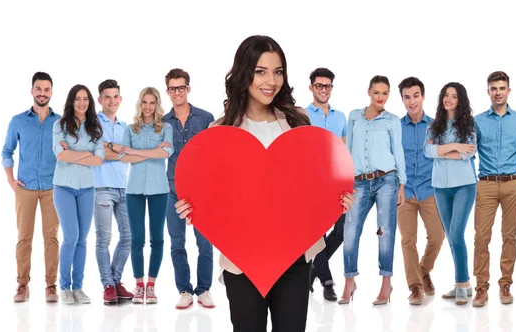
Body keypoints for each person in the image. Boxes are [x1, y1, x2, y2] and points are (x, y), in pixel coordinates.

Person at [174, 35, 355, 332]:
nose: (271, 80)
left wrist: (335, 199)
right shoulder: (219, 132)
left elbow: (313, 185)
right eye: (261, 71)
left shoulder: (298, 123)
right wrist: (193, 206)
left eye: (278, 71)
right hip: (243, 260)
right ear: (244, 73)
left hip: (295, 256)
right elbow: (214, 194)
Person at [472, 71, 516, 307]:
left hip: (513, 184)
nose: (498, 92)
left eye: (502, 88)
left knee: (509, 236)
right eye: (493, 88)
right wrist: (474, 182)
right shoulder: (477, 121)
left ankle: (505, 283)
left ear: (509, 90)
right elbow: (469, 154)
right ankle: (481, 287)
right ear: (487, 91)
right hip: (486, 185)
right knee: (481, 237)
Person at [340, 75, 406, 306]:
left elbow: (398, 151)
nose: (381, 97)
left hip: (386, 180)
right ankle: (350, 281)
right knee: (350, 232)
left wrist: (402, 184)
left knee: (384, 232)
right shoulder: (354, 117)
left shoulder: (392, 120)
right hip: (358, 182)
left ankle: (386, 283)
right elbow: (347, 151)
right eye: (377, 92)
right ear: (369, 92)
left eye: (385, 93)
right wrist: (344, 182)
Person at [2, 71, 61, 302]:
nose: (42, 93)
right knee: (24, 236)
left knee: (51, 237)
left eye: (47, 89)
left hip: (52, 188)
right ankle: (22, 284)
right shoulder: (18, 121)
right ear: (32, 91)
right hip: (25, 187)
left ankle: (51, 285)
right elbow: (7, 151)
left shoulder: (60, 121)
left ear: (51, 92)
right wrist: (10, 180)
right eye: (39, 89)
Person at [161, 68, 216, 309]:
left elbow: (216, 155)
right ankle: (184, 290)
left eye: (181, 87)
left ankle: (204, 289)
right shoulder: (162, 123)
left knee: (205, 243)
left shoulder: (205, 118)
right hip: (172, 191)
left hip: (202, 192)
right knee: (177, 242)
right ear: (168, 91)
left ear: (188, 89)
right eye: (172, 88)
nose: (177, 93)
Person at [423, 82, 477, 305]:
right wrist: (454, 146)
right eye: (446, 95)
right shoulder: (434, 125)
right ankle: (462, 285)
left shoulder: (469, 124)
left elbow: (469, 153)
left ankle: (462, 284)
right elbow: (427, 151)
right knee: (452, 237)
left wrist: (441, 151)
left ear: (460, 100)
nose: (449, 99)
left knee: (456, 234)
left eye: (453, 96)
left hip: (464, 184)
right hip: (440, 187)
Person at [120, 87, 174, 304]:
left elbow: (165, 153)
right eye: (145, 102)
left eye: (152, 102)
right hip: (134, 191)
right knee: (137, 239)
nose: (148, 107)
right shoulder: (131, 129)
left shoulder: (166, 128)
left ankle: (151, 286)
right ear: (140, 104)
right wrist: (151, 152)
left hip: (159, 191)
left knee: (157, 239)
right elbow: (123, 158)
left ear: (157, 104)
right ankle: (139, 285)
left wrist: (135, 152)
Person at [52, 84, 104, 304]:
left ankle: (78, 287)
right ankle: (64, 287)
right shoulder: (60, 125)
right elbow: (60, 156)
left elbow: (99, 158)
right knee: (70, 237)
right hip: (63, 187)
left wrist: (73, 153)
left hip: (86, 189)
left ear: (90, 102)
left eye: (85, 99)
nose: (82, 103)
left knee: (82, 239)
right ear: (71, 102)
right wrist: (86, 154)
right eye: (77, 99)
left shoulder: (95, 127)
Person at [397, 77, 445, 305]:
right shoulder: (395, 127)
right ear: (403, 99)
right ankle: (415, 287)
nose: (412, 101)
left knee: (438, 236)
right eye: (407, 97)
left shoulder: (437, 126)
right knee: (408, 240)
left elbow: (444, 157)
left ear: (423, 96)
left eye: (416, 95)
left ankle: (423, 270)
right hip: (404, 192)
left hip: (429, 190)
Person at [305, 67, 347, 301]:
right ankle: (328, 282)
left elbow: (344, 149)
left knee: (341, 231)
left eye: (327, 85)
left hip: (336, 182)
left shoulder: (340, 117)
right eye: (319, 85)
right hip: (311, 183)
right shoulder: (301, 114)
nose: (323, 89)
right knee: (317, 234)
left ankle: (313, 269)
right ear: (311, 87)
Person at [92, 79, 133, 304]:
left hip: (124, 188)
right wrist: (120, 151)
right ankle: (107, 284)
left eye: (115, 96)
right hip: (102, 188)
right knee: (104, 238)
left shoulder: (125, 127)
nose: (112, 100)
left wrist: (111, 147)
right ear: (100, 100)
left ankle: (116, 281)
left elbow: (133, 153)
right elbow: (100, 153)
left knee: (129, 236)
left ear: (120, 99)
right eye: (107, 97)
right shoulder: (93, 124)